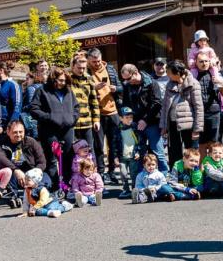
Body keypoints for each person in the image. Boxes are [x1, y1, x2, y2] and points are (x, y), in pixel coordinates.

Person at [28, 67, 79, 190]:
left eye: (65, 80)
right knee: (51, 159)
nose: (63, 83)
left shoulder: (68, 91)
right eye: (61, 80)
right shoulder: (42, 91)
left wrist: (72, 119)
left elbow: (76, 108)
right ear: (53, 78)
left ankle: (67, 185)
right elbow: (34, 109)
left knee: (67, 157)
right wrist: (50, 117)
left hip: (67, 129)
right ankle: (54, 187)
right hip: (49, 130)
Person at [86, 48, 123, 184]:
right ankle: (101, 172)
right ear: (89, 60)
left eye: (98, 61)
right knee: (99, 145)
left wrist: (115, 88)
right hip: (97, 113)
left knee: (113, 144)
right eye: (93, 62)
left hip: (113, 111)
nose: (96, 64)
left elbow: (120, 87)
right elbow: (83, 90)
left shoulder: (110, 69)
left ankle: (112, 171)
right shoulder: (87, 72)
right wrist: (93, 88)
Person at [121, 64, 166, 172]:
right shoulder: (127, 85)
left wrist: (145, 120)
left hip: (152, 122)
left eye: (129, 78)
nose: (126, 81)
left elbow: (157, 103)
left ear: (136, 72)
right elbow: (126, 104)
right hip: (135, 123)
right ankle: (140, 179)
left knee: (157, 151)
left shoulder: (151, 83)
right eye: (124, 79)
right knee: (138, 153)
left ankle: (163, 176)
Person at [161, 60, 204, 167]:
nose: (167, 75)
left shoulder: (193, 84)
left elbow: (199, 108)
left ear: (178, 73)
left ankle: (192, 176)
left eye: (169, 72)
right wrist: (164, 126)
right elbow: (165, 106)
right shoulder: (169, 85)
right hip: (173, 123)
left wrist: (197, 129)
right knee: (173, 151)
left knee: (191, 153)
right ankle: (175, 176)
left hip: (188, 125)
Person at [0, 120, 48, 189]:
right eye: (15, 132)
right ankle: (15, 198)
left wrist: (33, 175)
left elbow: (42, 162)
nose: (18, 135)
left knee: (46, 180)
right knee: (9, 176)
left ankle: (37, 194)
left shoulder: (31, 142)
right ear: (8, 132)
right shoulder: (2, 143)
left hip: (31, 171)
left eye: (20, 132)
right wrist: (15, 170)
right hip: (13, 172)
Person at [193, 52, 223, 159]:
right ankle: (203, 172)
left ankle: (217, 170)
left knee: (215, 144)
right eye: (201, 61)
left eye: (206, 61)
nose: (204, 63)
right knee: (202, 144)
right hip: (199, 114)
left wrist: (220, 84)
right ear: (196, 63)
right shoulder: (192, 75)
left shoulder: (216, 74)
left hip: (214, 113)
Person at [69, 55, 101, 157]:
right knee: (73, 151)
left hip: (87, 122)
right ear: (73, 66)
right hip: (72, 122)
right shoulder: (67, 79)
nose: (82, 70)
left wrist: (96, 120)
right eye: (79, 68)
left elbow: (94, 101)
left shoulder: (89, 79)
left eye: (84, 68)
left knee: (89, 150)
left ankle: (93, 172)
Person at [116, 107, 141, 199]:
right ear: (121, 118)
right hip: (122, 156)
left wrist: (138, 151)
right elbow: (114, 144)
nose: (129, 119)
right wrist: (115, 157)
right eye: (127, 117)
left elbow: (139, 141)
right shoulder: (117, 129)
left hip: (133, 156)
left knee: (134, 174)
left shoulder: (134, 127)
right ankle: (126, 190)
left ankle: (135, 189)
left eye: (131, 117)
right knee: (123, 173)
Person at [0, 63, 23, 129]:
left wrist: (12, 125)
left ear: (1, 71)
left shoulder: (13, 85)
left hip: (8, 124)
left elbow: (17, 106)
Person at [22, 60, 48, 138]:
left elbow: (31, 104)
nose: (26, 81)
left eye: (27, 79)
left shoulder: (31, 88)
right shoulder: (43, 86)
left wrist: (22, 108)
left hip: (33, 119)